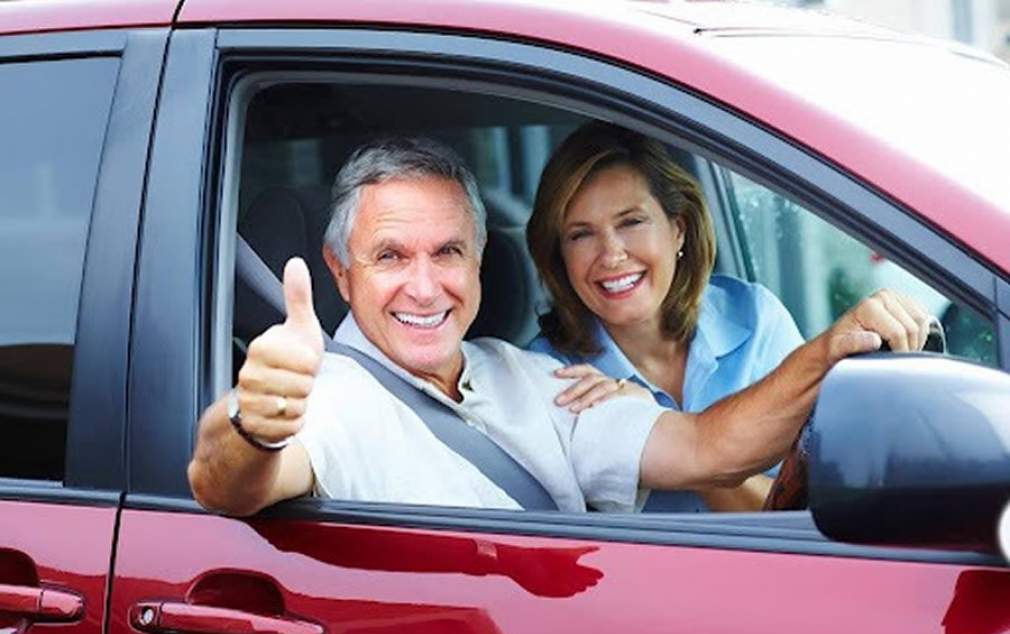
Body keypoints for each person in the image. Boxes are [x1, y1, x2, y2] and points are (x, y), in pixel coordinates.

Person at [188, 136, 932, 518]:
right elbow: (226, 485)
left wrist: (833, 349)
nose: (425, 285)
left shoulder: (534, 376)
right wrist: (254, 422)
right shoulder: (324, 395)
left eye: (448, 252)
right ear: (339, 272)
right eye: (389, 256)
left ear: (482, 259)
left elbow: (709, 448)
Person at [525, 122, 805, 512]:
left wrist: (658, 423)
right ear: (561, 257)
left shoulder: (756, 318)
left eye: (631, 222)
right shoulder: (547, 377)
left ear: (678, 230)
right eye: (581, 234)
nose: (612, 255)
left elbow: (804, 518)